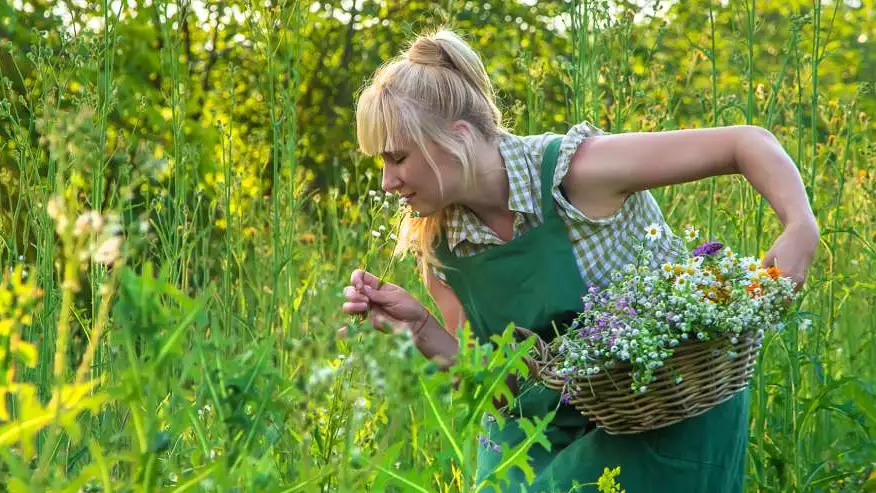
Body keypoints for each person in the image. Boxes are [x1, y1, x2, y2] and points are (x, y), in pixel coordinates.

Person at [340, 27, 819, 492]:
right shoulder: (441, 243)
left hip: (658, 414)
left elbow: (746, 143)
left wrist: (800, 225)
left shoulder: (574, 175)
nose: (387, 181)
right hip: (534, 439)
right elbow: (500, 387)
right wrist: (421, 329)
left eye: (397, 158)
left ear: (458, 137)